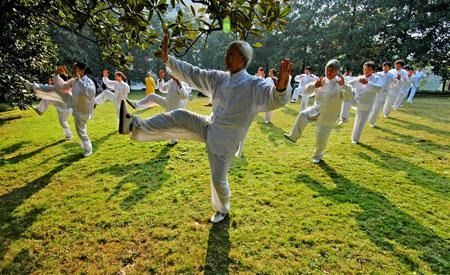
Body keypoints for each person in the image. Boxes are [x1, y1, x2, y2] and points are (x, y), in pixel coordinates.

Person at [118, 35, 292, 223]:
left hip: (227, 140)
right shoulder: (219, 78)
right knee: (179, 115)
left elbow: (273, 97)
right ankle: (133, 124)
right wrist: (169, 60)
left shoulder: (254, 84)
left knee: (218, 180)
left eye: (231, 54)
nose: (226, 57)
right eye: (226, 53)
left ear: (242, 60)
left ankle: (223, 209)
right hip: (210, 125)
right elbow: (193, 73)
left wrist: (281, 88)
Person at [284, 59, 352, 163]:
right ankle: (293, 136)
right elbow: (306, 91)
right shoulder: (322, 80)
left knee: (322, 138)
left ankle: (317, 157)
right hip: (316, 109)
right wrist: (314, 86)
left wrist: (344, 86)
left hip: (329, 115)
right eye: (327, 70)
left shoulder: (341, 83)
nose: (328, 73)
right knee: (303, 114)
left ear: (337, 71)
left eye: (331, 71)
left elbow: (348, 98)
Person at [126, 73, 192, 145]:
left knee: (172, 124)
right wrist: (161, 79)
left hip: (176, 108)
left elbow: (185, 96)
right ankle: (136, 105)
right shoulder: (170, 81)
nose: (171, 75)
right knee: (152, 96)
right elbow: (162, 89)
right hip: (167, 102)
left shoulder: (185, 84)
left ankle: (174, 140)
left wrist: (179, 83)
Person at [20, 65, 73, 140]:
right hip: (63, 104)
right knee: (47, 97)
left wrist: (57, 73)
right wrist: (58, 73)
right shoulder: (65, 87)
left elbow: (56, 79)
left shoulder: (62, 86)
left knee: (48, 90)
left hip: (64, 106)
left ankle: (31, 88)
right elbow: (56, 80)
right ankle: (69, 135)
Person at [62, 62, 96, 156]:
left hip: (84, 110)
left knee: (80, 131)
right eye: (73, 68)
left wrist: (80, 80)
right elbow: (63, 86)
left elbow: (88, 93)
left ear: (82, 70)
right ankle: (85, 146)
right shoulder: (74, 81)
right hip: (76, 109)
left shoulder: (88, 82)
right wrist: (60, 75)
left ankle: (88, 149)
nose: (74, 70)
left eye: (75, 69)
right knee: (80, 130)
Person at [348, 61, 382, 144]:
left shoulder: (377, 79)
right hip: (356, 100)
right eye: (365, 69)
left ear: (373, 70)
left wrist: (368, 83)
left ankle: (355, 139)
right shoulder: (360, 77)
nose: (366, 71)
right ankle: (343, 117)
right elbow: (348, 85)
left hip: (366, 104)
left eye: (369, 69)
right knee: (346, 92)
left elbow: (379, 89)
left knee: (360, 122)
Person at [368, 61, 396, 127]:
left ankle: (372, 121)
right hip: (375, 92)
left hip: (383, 94)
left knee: (377, 108)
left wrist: (397, 80)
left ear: (389, 68)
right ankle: (369, 118)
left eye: (387, 67)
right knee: (372, 106)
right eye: (384, 66)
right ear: (382, 67)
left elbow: (395, 82)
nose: (385, 68)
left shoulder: (391, 75)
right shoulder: (378, 74)